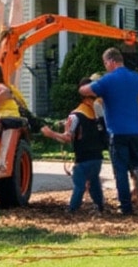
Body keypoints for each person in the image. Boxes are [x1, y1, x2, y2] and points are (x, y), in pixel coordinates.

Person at [79, 47, 138, 215]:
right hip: (136, 131)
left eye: (105, 63)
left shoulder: (107, 80)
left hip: (117, 132)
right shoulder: (135, 77)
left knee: (120, 171)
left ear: (112, 61)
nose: (105, 66)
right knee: (136, 161)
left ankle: (126, 207)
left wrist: (93, 84)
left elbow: (84, 91)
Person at [40, 77, 106, 214]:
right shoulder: (99, 112)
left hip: (82, 157)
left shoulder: (75, 115)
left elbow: (67, 138)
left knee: (79, 184)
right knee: (94, 182)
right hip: (98, 156)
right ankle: (99, 206)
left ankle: (72, 209)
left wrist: (51, 133)